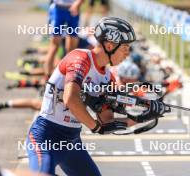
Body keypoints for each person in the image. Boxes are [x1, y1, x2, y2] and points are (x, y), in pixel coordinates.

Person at [26, 17, 165, 176]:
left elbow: (107, 122)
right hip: (46, 137)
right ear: (109, 45)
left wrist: (143, 116)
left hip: (72, 142)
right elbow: (70, 98)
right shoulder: (80, 58)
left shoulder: (108, 77)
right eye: (125, 47)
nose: (128, 53)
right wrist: (95, 127)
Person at [44, 0, 84, 80]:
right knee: (54, 46)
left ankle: (68, 78)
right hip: (58, 9)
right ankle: (47, 77)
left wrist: (78, 2)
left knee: (71, 49)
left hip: (73, 10)